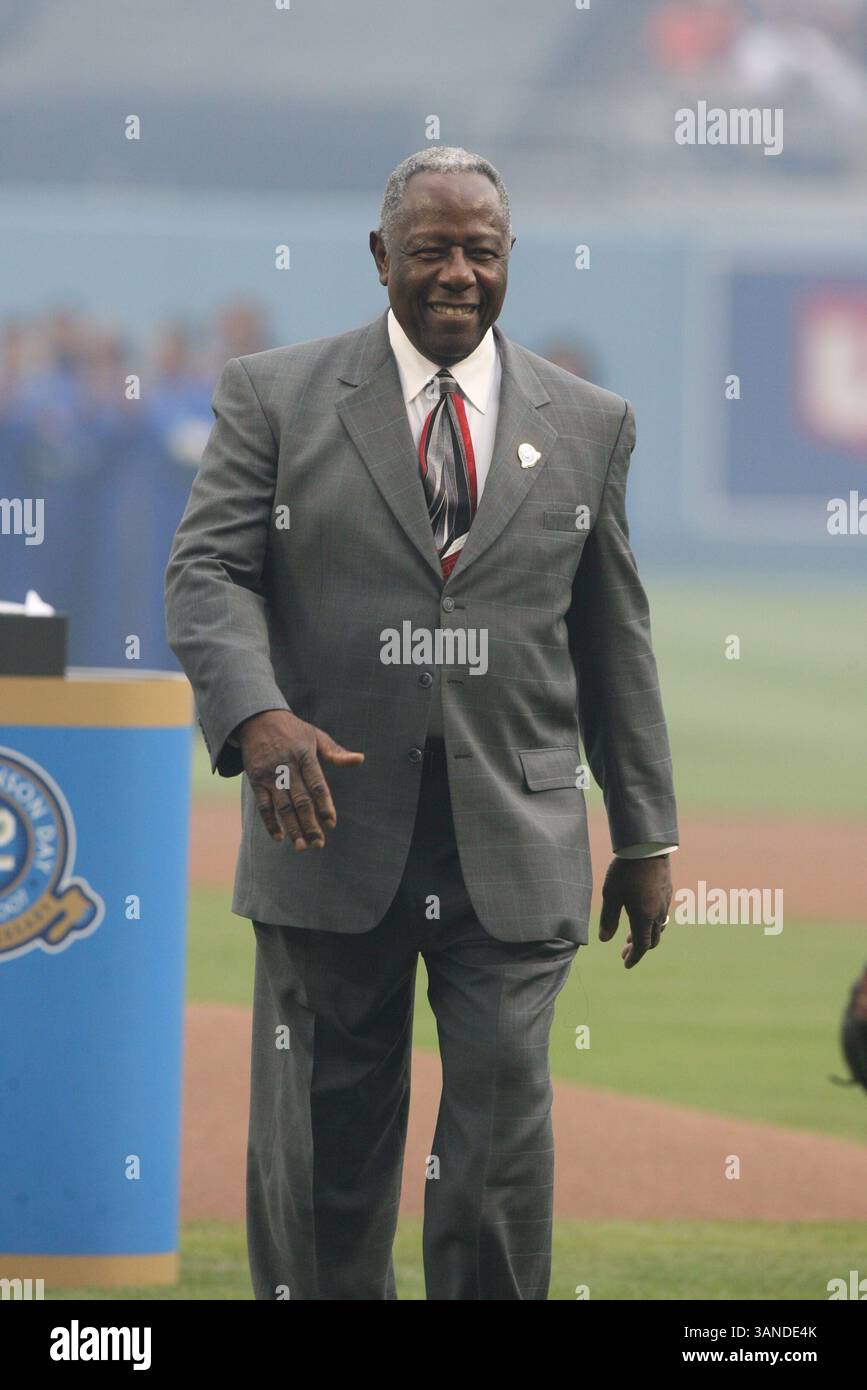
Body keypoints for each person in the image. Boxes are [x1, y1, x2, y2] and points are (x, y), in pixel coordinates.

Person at [165, 146, 679, 1301]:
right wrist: (258, 717)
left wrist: (645, 832)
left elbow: (615, 639)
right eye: (433, 248)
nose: (457, 273)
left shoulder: (592, 423)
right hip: (325, 825)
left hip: (515, 835)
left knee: (497, 1149)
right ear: (379, 255)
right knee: (325, 1155)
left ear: (509, 261)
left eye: (480, 251)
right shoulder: (274, 395)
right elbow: (206, 576)